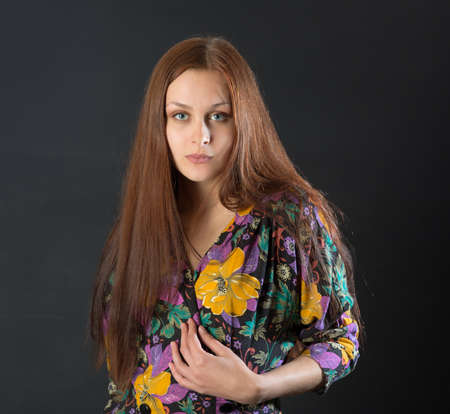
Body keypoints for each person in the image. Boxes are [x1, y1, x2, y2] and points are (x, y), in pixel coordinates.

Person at [88, 35, 365, 414]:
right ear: (160, 124)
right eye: (181, 116)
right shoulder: (145, 220)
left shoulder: (287, 220)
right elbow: (123, 378)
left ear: (243, 121)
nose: (200, 136)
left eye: (218, 116)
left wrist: (256, 387)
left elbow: (340, 341)